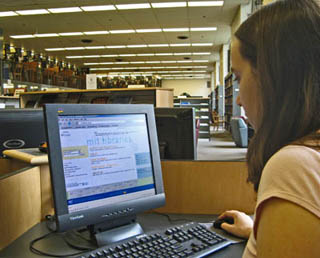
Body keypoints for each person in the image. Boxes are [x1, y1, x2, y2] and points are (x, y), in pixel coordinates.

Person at [217, 0, 320, 257]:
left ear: (272, 76)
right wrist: (260, 232)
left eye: (239, 78)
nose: (238, 99)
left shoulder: (294, 166)